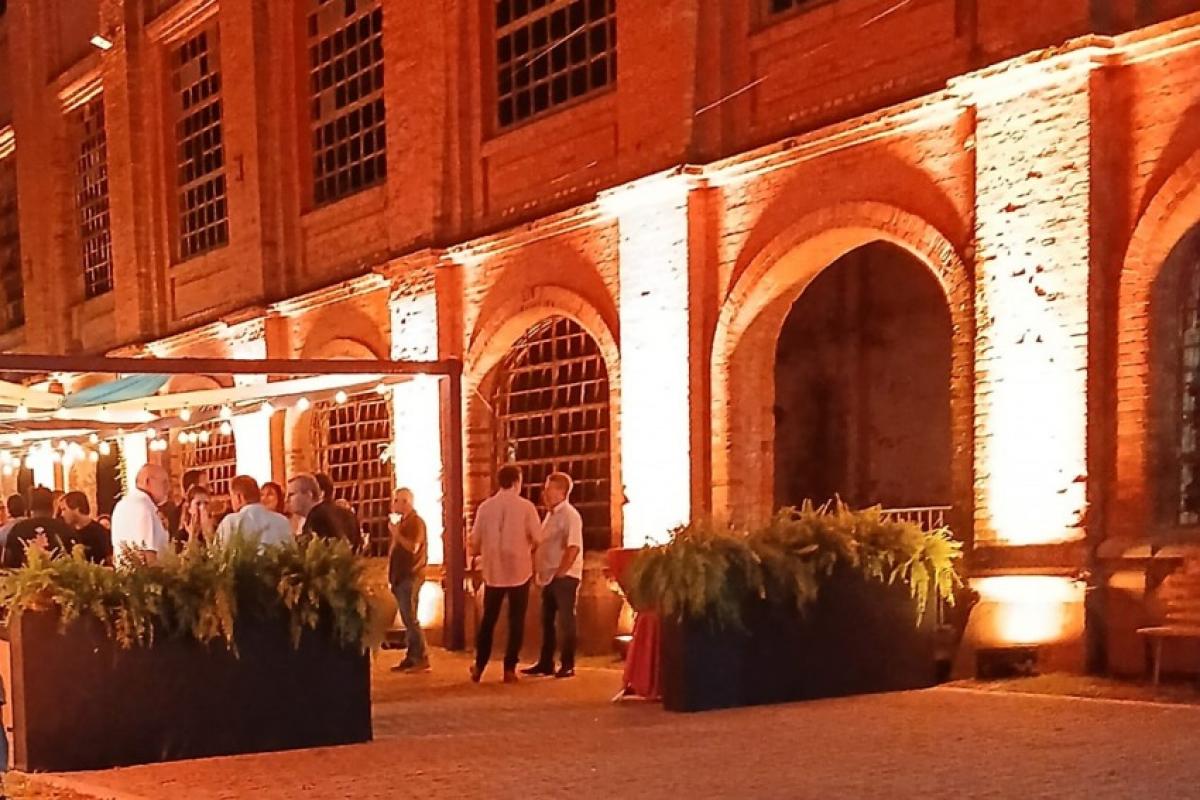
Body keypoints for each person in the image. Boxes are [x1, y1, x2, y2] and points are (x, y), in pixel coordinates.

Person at [468, 464, 541, 684]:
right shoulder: (526, 507)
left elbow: (474, 541)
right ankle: (509, 668)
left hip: (493, 572)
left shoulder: (485, 507)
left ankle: (479, 665)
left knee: (488, 620)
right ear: (517, 481)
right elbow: (538, 538)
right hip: (520, 570)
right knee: (516, 620)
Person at [523, 472, 584, 679]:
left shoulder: (570, 515)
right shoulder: (550, 515)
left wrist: (561, 571)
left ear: (561, 491)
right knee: (547, 620)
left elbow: (573, 546)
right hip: (549, 576)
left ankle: (567, 664)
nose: (545, 493)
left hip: (563, 576)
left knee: (566, 620)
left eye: (549, 489)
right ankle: (545, 662)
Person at [388, 487, 429, 673]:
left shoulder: (416, 523)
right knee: (407, 618)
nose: (393, 504)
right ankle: (412, 656)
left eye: (396, 500)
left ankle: (421, 656)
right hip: (400, 576)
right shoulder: (404, 523)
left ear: (406, 502)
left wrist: (397, 535)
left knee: (410, 618)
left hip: (410, 575)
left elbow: (413, 547)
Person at [110, 463, 171, 565]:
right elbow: (148, 554)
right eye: (164, 483)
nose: (168, 488)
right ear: (148, 481)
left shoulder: (123, 504)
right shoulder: (144, 507)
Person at [213, 475, 293, 549]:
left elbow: (217, 554)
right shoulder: (282, 521)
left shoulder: (230, 522)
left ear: (239, 497)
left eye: (231, 497)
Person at [2, 487, 75, 568]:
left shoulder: (17, 529)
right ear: (52, 507)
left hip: (25, 575)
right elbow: (76, 561)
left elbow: (8, 564)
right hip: (60, 575)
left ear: (30, 510)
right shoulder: (64, 528)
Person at [291, 472, 359, 548]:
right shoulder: (350, 514)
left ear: (320, 493)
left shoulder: (316, 516)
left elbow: (311, 551)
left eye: (292, 494)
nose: (287, 499)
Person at [60, 491, 114, 566]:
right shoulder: (66, 533)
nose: (62, 514)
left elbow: (109, 560)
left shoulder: (100, 533)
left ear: (76, 508)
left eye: (64, 509)